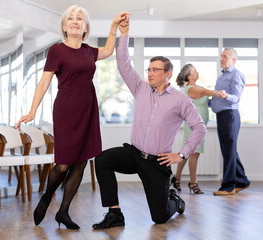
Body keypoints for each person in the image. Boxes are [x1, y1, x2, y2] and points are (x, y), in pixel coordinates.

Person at [16, 5, 130, 229]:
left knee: (81, 162)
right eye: (71, 19)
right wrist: (32, 111)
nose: (75, 21)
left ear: (85, 26)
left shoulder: (89, 51)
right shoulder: (57, 51)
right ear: (65, 27)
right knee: (63, 163)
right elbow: (44, 82)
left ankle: (64, 212)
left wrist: (114, 26)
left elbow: (108, 49)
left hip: (88, 109)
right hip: (67, 110)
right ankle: (47, 197)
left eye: (80, 19)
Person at [92, 20, 207, 229]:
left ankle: (176, 200)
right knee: (102, 160)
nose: (150, 73)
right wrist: (124, 34)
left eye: (155, 70)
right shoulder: (140, 88)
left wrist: (181, 155)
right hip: (134, 153)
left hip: (157, 162)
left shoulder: (181, 100)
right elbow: (123, 65)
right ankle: (114, 212)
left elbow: (200, 127)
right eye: (149, 69)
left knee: (159, 217)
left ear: (168, 74)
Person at [172, 64, 224, 194]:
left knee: (186, 152)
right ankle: (193, 182)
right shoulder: (190, 89)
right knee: (194, 153)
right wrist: (216, 92)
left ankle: (176, 177)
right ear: (189, 76)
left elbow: (206, 96)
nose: (197, 72)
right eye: (194, 71)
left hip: (200, 125)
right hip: (193, 126)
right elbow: (203, 93)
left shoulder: (198, 87)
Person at [210, 47, 251, 196]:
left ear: (233, 60)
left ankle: (228, 186)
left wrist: (225, 95)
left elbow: (236, 97)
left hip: (230, 116)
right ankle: (242, 181)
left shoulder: (236, 75)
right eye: (221, 56)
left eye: (225, 56)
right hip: (222, 116)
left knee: (228, 151)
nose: (222, 59)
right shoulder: (221, 76)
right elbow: (217, 98)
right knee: (229, 150)